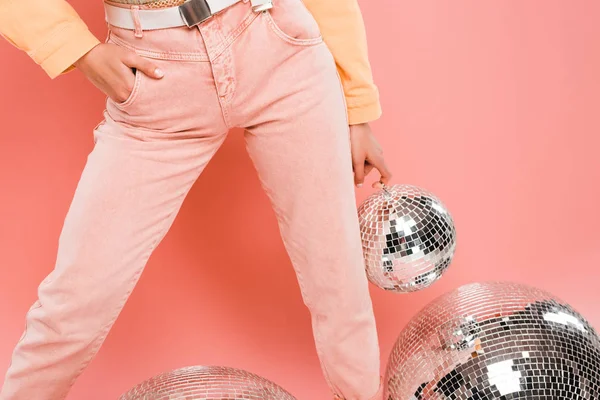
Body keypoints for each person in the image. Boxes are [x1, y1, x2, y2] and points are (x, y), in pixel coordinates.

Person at [0, 0, 392, 398]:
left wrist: (357, 109)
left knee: (339, 283)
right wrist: (77, 50)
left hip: (277, 46)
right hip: (156, 74)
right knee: (75, 303)